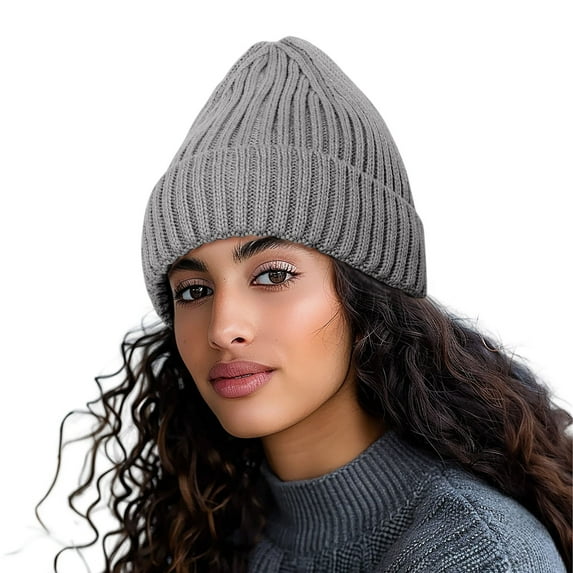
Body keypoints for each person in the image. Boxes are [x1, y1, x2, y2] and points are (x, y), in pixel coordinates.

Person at [40, 37, 571, 572]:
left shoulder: (473, 552)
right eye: (194, 291)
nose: (223, 328)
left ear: (369, 294)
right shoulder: (212, 531)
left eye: (273, 275)